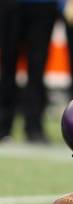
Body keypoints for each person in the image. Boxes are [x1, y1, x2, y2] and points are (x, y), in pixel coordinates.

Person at [0, 0, 57, 144]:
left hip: (42, 5)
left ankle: (34, 127)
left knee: (37, 69)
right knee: (7, 66)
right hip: (10, 4)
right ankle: (3, 126)